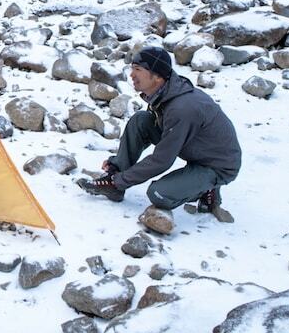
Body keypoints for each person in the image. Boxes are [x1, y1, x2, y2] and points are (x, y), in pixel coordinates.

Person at [77, 46, 240, 222]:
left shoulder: (182, 108)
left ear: (157, 76)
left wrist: (122, 180)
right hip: (196, 149)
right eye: (132, 68)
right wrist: (117, 173)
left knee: (158, 194)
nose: (132, 74)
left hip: (218, 165)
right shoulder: (164, 94)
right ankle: (114, 179)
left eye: (138, 70)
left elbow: (162, 161)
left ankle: (208, 188)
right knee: (141, 120)